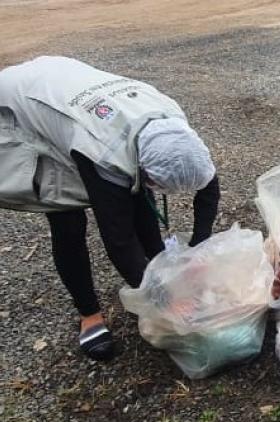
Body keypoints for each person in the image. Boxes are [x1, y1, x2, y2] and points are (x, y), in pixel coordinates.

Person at [0, 56, 220, 360]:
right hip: (22, 104)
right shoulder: (101, 151)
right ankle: (89, 313)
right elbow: (119, 240)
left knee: (135, 195)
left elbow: (207, 187)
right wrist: (165, 301)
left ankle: (157, 275)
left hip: (66, 82)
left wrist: (199, 247)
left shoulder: (175, 126)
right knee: (67, 220)